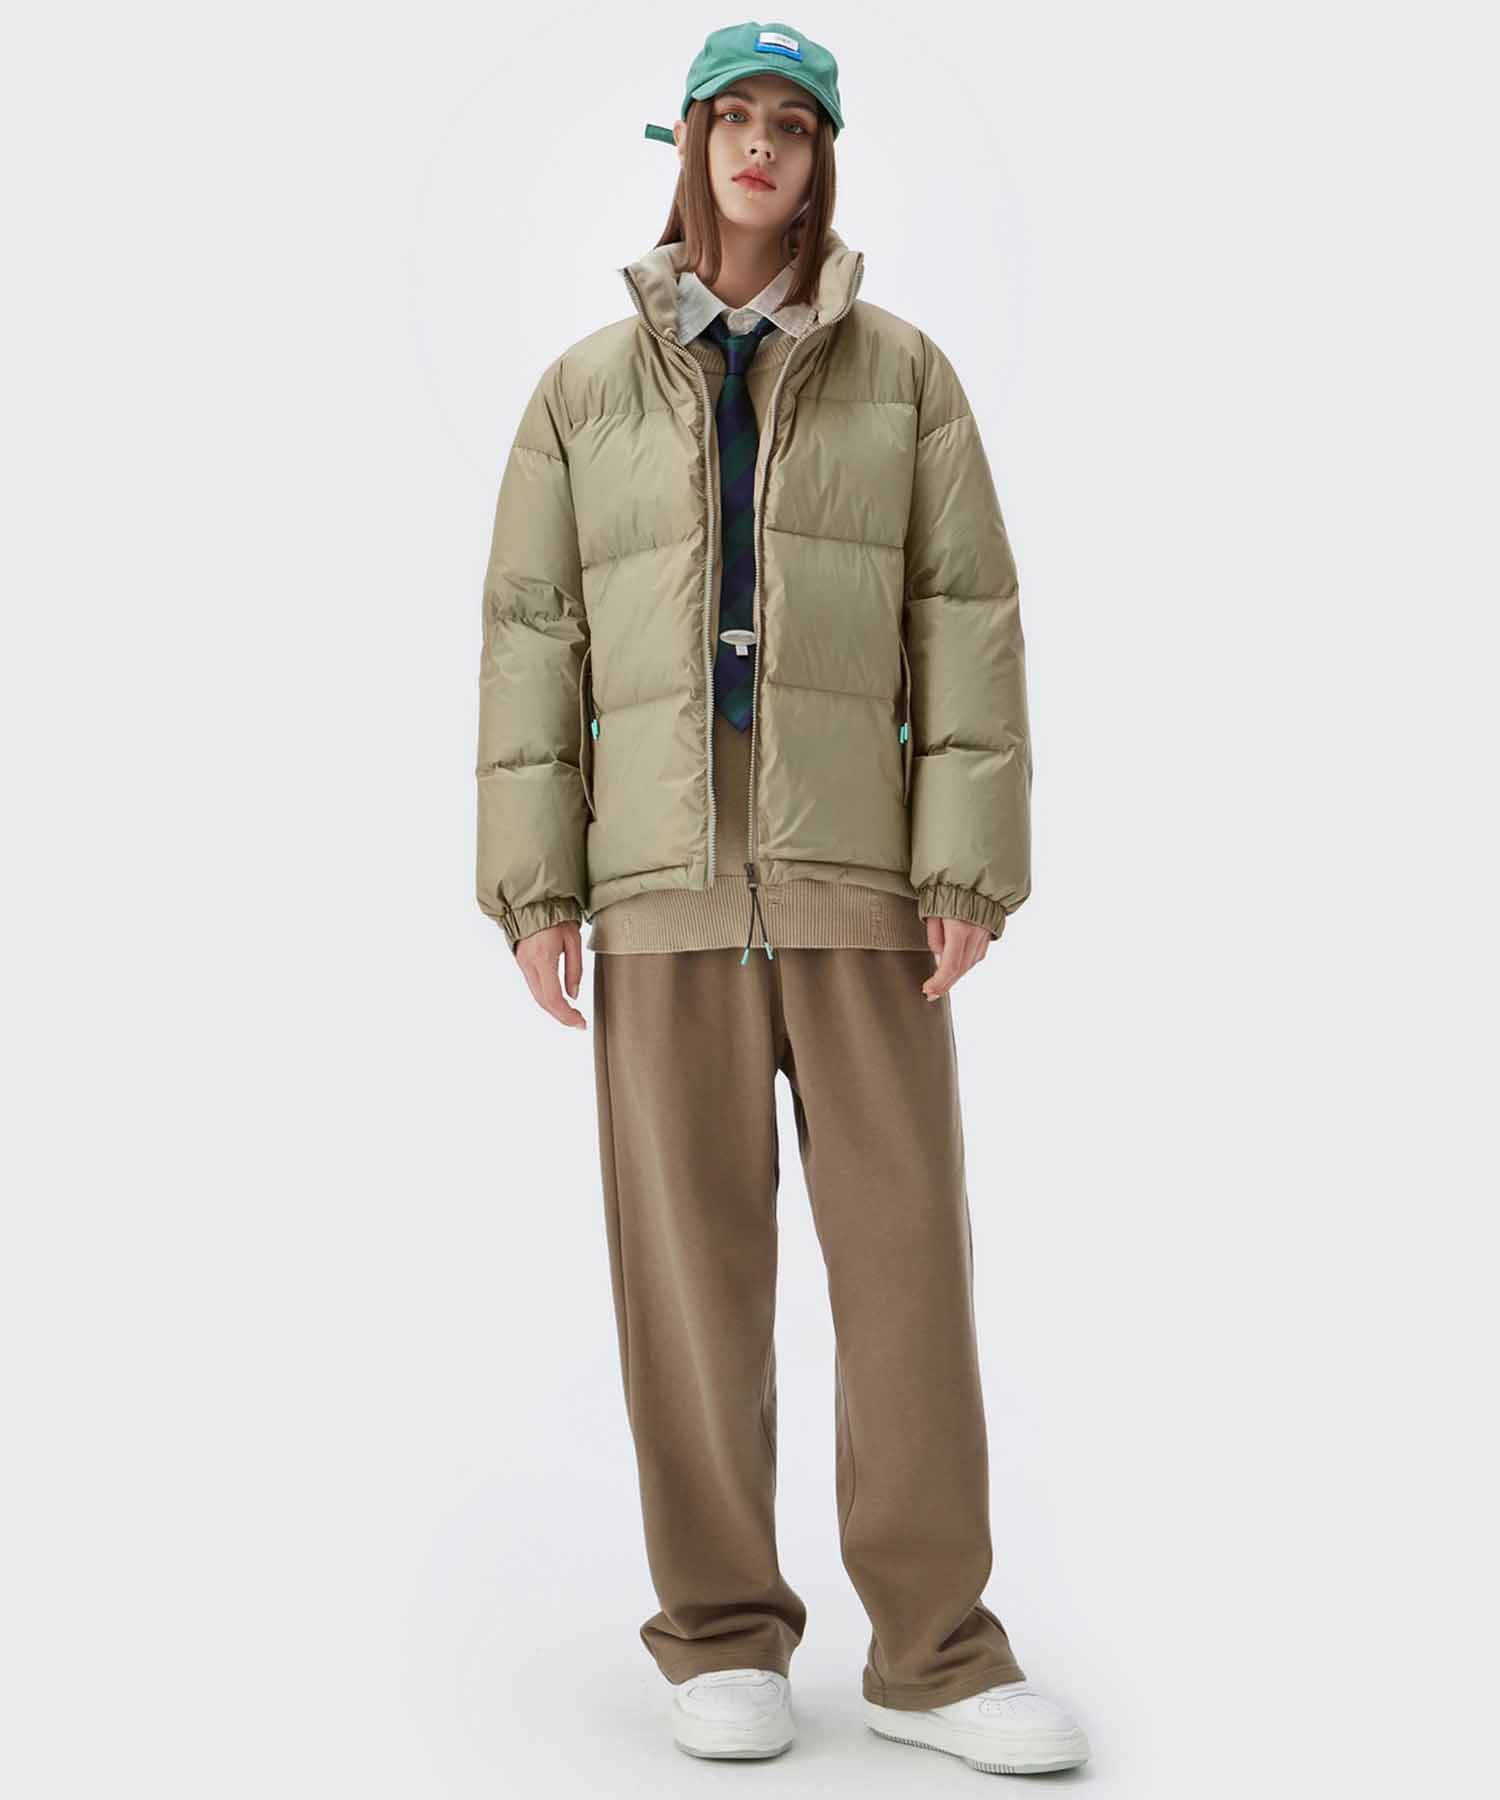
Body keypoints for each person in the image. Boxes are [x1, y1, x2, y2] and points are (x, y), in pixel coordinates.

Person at [475, 19, 1090, 1776]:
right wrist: (535, 890)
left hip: (861, 887)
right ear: (690, 144)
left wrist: (967, 866)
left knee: (906, 1276)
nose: (761, 148)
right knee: (689, 1281)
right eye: (734, 118)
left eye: (793, 125)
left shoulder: (908, 379)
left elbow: (966, 621)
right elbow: (531, 644)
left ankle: (937, 1656)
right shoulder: (582, 396)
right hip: (658, 892)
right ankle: (722, 1632)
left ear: (823, 158)